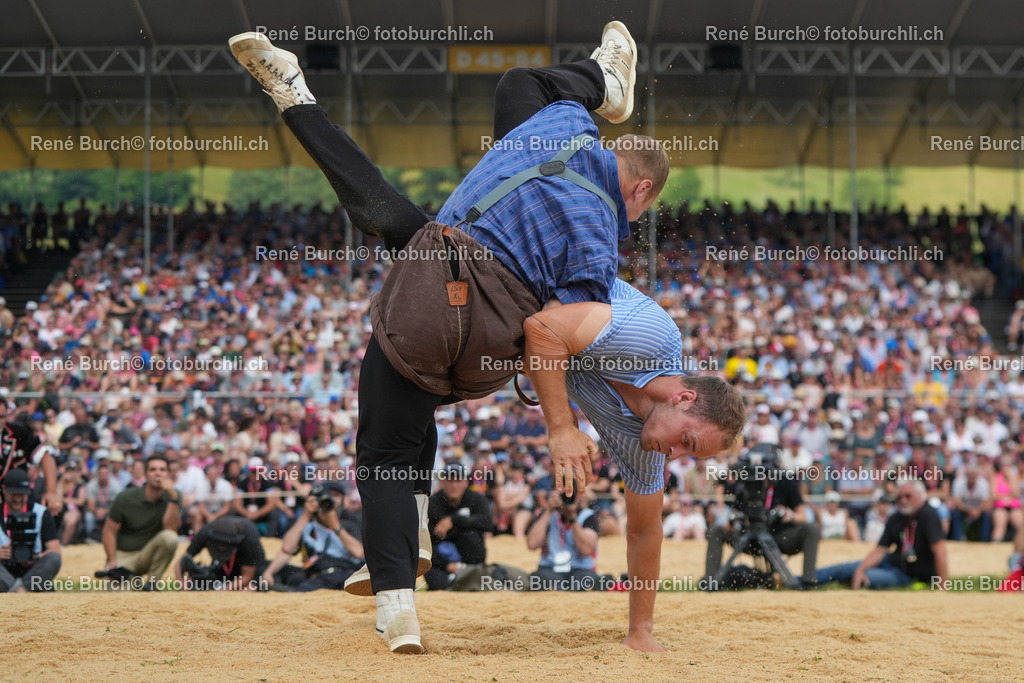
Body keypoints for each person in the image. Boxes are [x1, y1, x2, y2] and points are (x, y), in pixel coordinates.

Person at [230, 20, 666, 654]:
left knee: (386, 444)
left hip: (430, 302)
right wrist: (567, 422)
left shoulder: (554, 125)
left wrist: (595, 88)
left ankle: (397, 604)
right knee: (402, 250)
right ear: (643, 188)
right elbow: (559, 336)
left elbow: (525, 82)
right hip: (488, 339)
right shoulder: (600, 242)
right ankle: (410, 544)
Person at [703, 453, 820, 590]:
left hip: (779, 537)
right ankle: (711, 581)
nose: (758, 476)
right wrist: (732, 521)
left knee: (811, 528)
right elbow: (734, 514)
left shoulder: (785, 482)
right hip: (750, 538)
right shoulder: (744, 484)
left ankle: (808, 583)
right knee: (717, 530)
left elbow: (803, 516)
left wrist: (791, 515)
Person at [815, 479, 949, 589]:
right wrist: (859, 569)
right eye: (899, 497)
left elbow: (940, 551)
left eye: (908, 496)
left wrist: (943, 587)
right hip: (891, 561)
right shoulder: (896, 517)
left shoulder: (928, 515)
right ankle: (803, 580)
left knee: (868, 578)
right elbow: (880, 550)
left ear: (921, 497)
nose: (903, 500)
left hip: (907, 574)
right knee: (844, 569)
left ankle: (851, 580)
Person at [261, 483, 363, 592]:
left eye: (336, 495)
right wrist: (305, 515)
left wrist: (334, 525)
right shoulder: (307, 526)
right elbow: (287, 549)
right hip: (318, 576)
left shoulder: (349, 523)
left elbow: (358, 553)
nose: (331, 500)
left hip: (346, 573)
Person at [100, 455, 181, 587]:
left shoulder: (174, 496)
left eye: (162, 470)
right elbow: (108, 532)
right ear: (145, 474)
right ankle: (133, 581)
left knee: (170, 538)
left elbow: (170, 529)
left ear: (168, 474)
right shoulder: (125, 497)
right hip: (123, 555)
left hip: (147, 555)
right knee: (120, 597)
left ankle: (152, 584)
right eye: (153, 469)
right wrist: (113, 561)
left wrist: (173, 498)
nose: (158, 473)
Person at [423, 464, 492, 591]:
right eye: (450, 480)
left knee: (471, 536)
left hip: (469, 557)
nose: (454, 485)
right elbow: (426, 541)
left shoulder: (476, 499)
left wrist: (454, 520)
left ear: (466, 482)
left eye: (458, 480)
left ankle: (469, 575)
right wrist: (447, 565)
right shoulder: (432, 504)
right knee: (437, 583)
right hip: (441, 561)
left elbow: (487, 523)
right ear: (442, 482)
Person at [526, 490, 603, 590]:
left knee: (582, 585)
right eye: (562, 495)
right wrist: (548, 510)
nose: (565, 498)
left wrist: (572, 518)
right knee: (538, 581)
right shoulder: (547, 515)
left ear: (577, 497)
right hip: (550, 568)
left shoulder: (588, 516)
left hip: (580, 568)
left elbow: (586, 550)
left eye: (569, 494)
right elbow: (532, 544)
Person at [0, 469, 61, 592]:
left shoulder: (40, 512)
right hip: (4, 572)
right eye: (13, 494)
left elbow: (55, 550)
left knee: (53, 558)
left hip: (32, 571)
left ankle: (18, 589)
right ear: (4, 490)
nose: (17, 499)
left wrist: (35, 557)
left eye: (22, 495)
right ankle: (22, 590)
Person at [0, 399, 60, 516]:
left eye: (2, 417)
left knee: (52, 510)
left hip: (19, 496)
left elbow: (45, 457)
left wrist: (51, 492)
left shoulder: (18, 432)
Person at [174, 516, 266, 591]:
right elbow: (180, 563)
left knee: (250, 588)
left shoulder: (249, 538)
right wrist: (182, 585)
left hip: (250, 566)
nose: (222, 548)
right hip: (221, 566)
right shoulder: (206, 532)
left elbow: (247, 576)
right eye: (219, 547)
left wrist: (222, 591)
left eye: (225, 547)